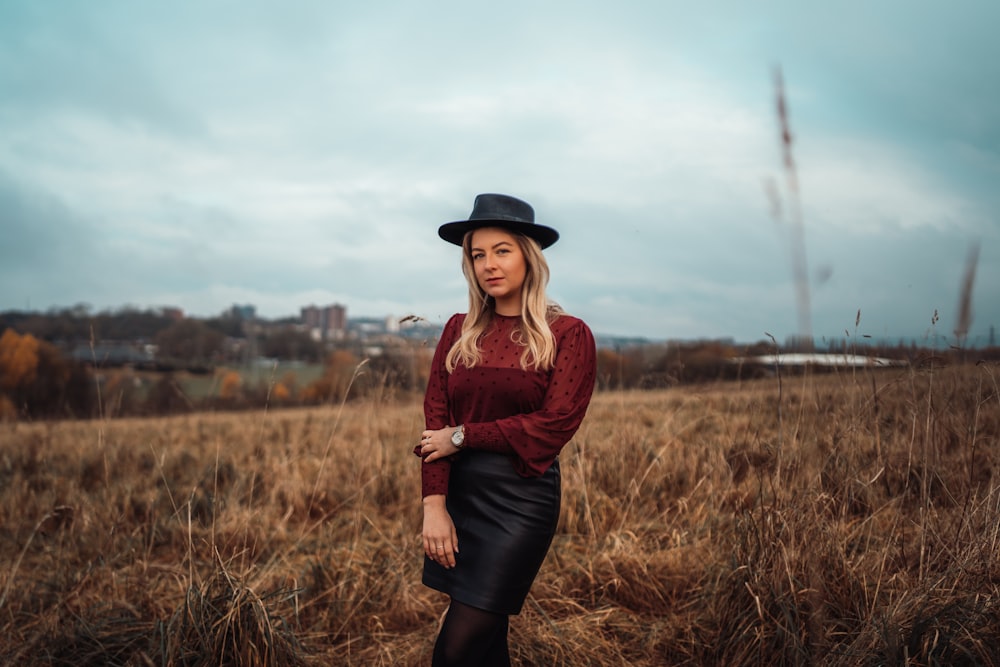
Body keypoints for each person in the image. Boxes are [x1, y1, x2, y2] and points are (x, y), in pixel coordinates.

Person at [414, 193, 597, 666]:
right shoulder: (458, 330)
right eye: (478, 254)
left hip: (521, 503)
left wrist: (464, 436)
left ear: (528, 256)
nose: (489, 265)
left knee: (456, 650)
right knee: (486, 644)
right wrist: (434, 507)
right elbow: (435, 421)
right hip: (461, 497)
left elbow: (553, 425)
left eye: (502, 250)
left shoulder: (568, 334)